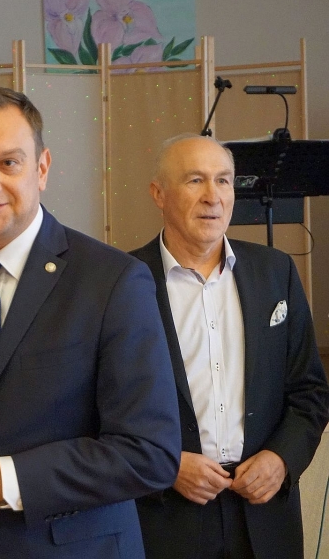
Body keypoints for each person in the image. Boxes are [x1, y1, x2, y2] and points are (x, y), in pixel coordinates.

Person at [0, 86, 181, 558]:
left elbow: (149, 452)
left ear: (42, 168)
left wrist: (5, 477)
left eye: (9, 163)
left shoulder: (112, 281)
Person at [132, 134, 329, 558]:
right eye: (195, 180)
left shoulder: (276, 271)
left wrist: (281, 459)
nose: (213, 196)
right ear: (159, 194)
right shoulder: (121, 281)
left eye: (223, 181)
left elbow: (310, 391)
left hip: (264, 513)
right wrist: (167, 466)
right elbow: (99, 406)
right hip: (164, 517)